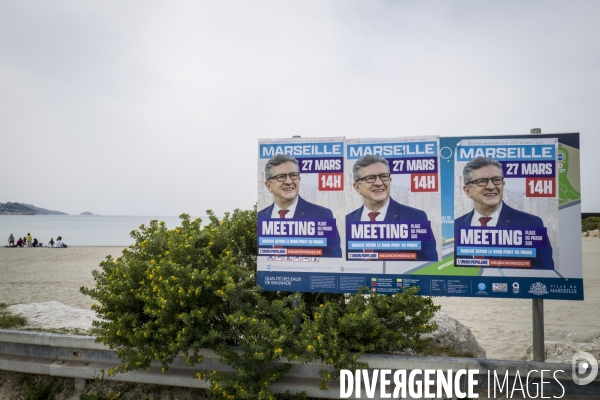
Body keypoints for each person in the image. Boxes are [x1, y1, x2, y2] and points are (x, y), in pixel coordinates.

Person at [454, 156, 554, 270]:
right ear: (467, 191)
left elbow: (545, 273)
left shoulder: (530, 224)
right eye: (482, 181)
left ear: (503, 185)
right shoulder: (456, 226)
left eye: (496, 180)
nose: (491, 186)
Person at [346, 155, 438, 261]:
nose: (379, 183)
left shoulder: (415, 218)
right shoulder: (347, 221)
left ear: (390, 180)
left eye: (384, 176)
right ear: (357, 187)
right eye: (370, 178)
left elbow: (428, 266)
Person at [258, 154, 342, 258]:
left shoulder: (321, 216)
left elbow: (334, 262)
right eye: (281, 177)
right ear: (268, 185)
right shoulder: (259, 218)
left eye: (293, 175)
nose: (289, 181)